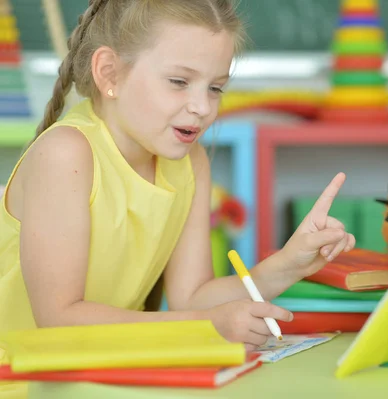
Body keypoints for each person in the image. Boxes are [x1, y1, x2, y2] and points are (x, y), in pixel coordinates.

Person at [0, 0, 354, 362]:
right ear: (109, 74)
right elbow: (57, 321)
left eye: (215, 88)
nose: (202, 107)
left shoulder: (189, 161)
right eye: (179, 82)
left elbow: (193, 298)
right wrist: (204, 327)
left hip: (100, 373)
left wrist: (288, 265)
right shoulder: (66, 154)